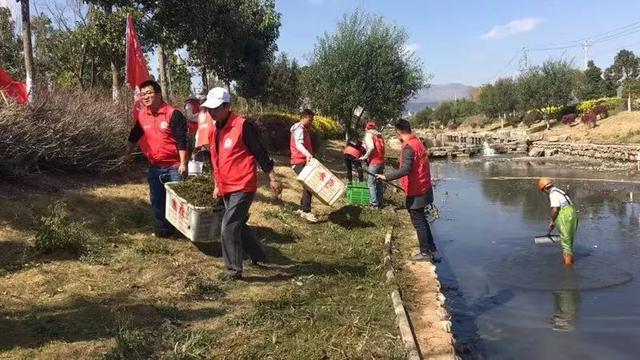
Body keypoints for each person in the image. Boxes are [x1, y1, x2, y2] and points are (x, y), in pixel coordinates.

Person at [202, 87, 282, 280]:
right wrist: (216, 184)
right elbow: (216, 159)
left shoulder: (243, 126)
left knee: (228, 226)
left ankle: (233, 270)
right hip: (225, 186)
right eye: (209, 108)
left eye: (215, 108)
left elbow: (259, 152)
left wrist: (272, 176)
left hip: (243, 184)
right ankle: (258, 255)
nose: (211, 112)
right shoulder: (214, 131)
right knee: (237, 224)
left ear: (227, 106)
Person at [124, 80, 188, 238]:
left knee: (178, 201)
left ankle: (183, 230)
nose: (145, 97)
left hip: (174, 167)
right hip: (155, 167)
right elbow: (134, 135)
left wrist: (183, 163)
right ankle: (163, 231)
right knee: (157, 200)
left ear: (159, 94)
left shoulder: (173, 114)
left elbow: (182, 140)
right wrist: (127, 154)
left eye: (149, 93)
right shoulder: (142, 115)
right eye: (143, 94)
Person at [377, 119, 438, 262]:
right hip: (425, 187)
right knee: (422, 219)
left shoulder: (408, 147)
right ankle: (431, 248)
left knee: (418, 222)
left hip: (417, 189)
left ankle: (425, 252)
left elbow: (406, 169)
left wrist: (386, 177)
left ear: (398, 132)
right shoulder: (418, 143)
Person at [538, 177, 578, 265]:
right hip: (572, 213)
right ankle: (569, 262)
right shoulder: (559, 191)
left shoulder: (553, 194)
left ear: (544, 189)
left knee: (565, 243)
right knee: (568, 240)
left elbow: (555, 210)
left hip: (566, 215)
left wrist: (552, 221)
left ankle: (568, 269)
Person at [290, 109, 318, 223]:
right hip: (298, 161)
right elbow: (298, 144)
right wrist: (308, 155)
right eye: (310, 119)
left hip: (303, 161)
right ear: (304, 117)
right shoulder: (299, 129)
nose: (311, 122)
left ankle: (303, 209)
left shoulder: (304, 129)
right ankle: (306, 211)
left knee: (307, 184)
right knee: (309, 184)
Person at [360, 120, 386, 208]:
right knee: (379, 183)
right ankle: (381, 203)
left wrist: (364, 157)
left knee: (371, 183)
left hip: (374, 162)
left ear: (366, 128)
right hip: (381, 162)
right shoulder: (379, 136)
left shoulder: (369, 135)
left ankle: (374, 204)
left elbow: (371, 147)